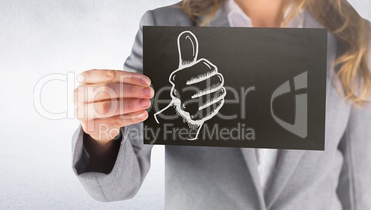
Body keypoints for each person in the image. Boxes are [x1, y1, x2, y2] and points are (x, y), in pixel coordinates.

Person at [71, 0, 371, 209]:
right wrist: (100, 135)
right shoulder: (166, 26)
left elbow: (357, 185)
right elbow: (118, 184)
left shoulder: (354, 39)